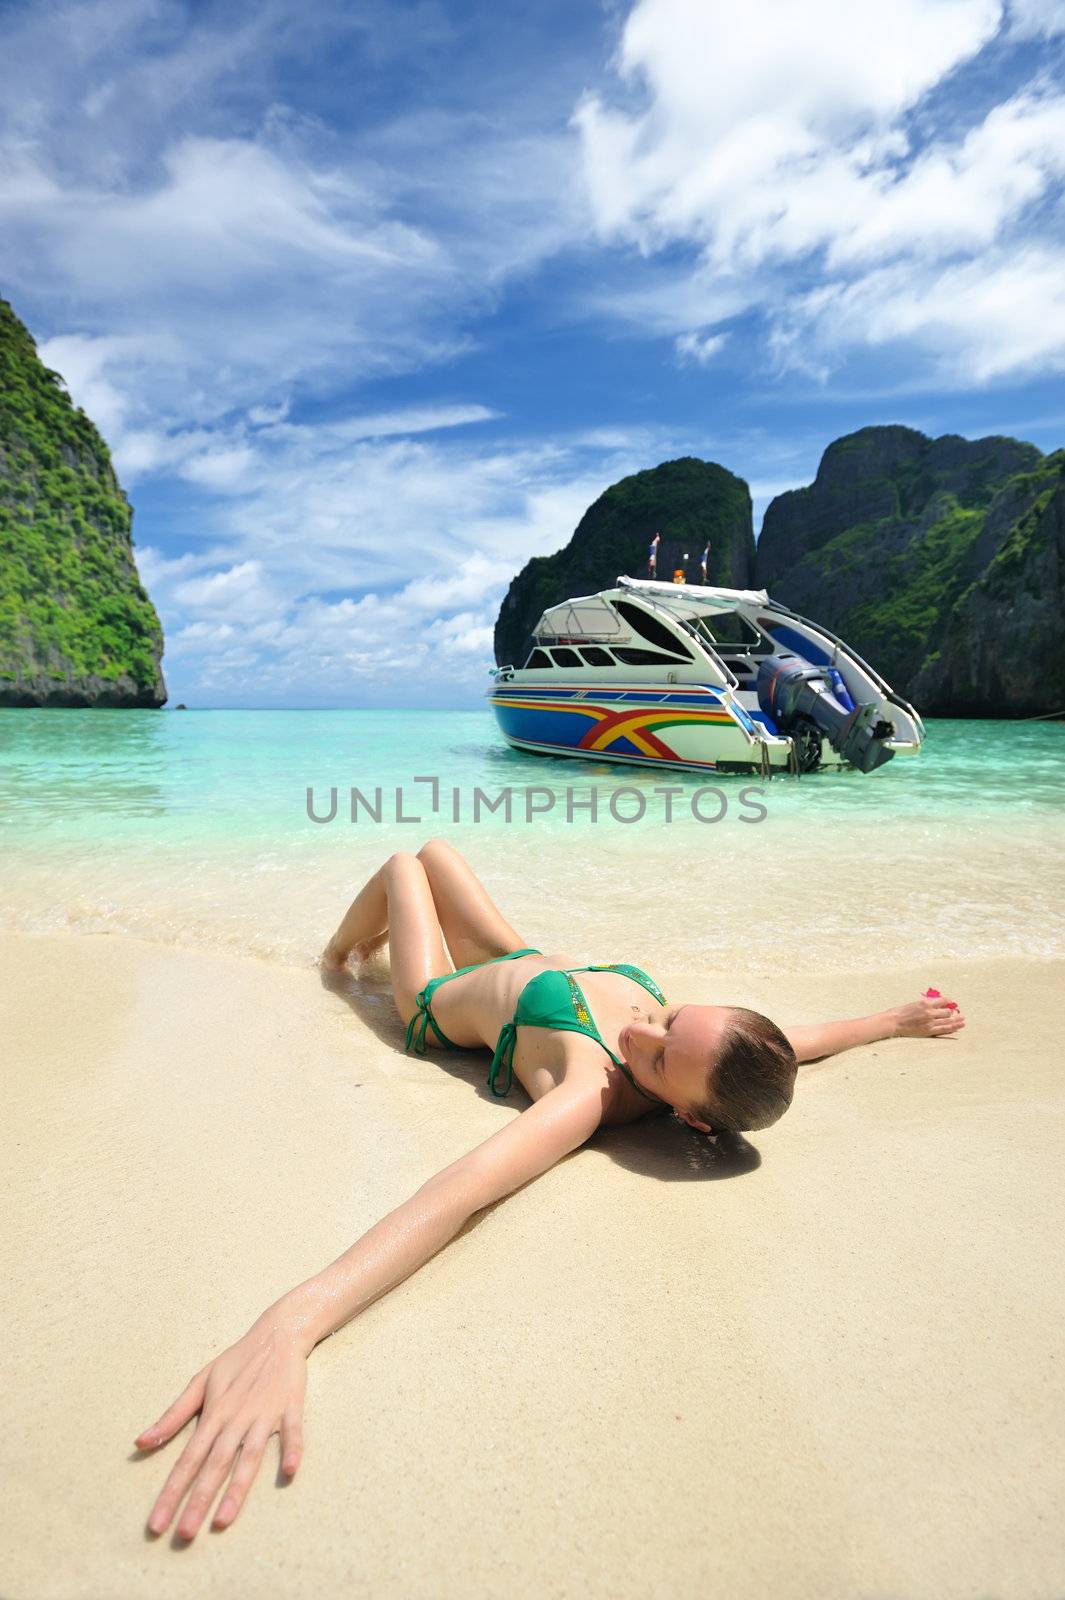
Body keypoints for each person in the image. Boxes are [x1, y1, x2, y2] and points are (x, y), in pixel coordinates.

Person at [135, 838, 965, 1540]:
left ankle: (333, 964)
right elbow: (798, 1041)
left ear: (693, 1120)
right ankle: (346, 955)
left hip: (435, 1003)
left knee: (400, 865)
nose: (642, 1029)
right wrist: (889, 1022)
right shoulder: (716, 1056)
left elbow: (456, 1195)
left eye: (657, 1054)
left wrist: (293, 1323)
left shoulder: (588, 1092)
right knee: (438, 853)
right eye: (673, 1017)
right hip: (518, 957)